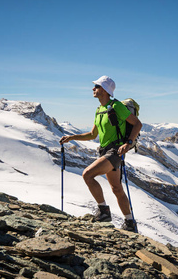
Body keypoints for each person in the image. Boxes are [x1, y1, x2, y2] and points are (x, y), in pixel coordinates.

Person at [60, 75, 142, 232]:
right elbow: (92, 134)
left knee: (87, 175)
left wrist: (128, 143)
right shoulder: (99, 110)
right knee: (117, 188)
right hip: (105, 150)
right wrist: (71, 137)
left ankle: (104, 212)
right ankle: (130, 223)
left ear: (105, 90)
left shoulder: (116, 106)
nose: (93, 88)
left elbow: (137, 124)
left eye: (96, 86)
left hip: (115, 150)